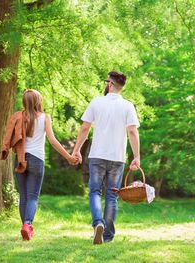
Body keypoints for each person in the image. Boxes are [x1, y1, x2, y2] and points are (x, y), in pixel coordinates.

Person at [72, 71, 140, 245]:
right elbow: (132, 131)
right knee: (111, 196)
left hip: (97, 156)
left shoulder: (97, 102)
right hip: (117, 157)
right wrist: (136, 157)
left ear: (110, 83)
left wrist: (77, 150)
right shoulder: (128, 106)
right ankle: (107, 236)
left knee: (95, 192)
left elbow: (85, 128)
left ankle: (98, 223)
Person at [1, 89, 77, 241]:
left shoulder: (18, 117)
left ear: (24, 102)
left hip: (21, 159)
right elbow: (53, 141)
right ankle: (27, 225)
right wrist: (69, 157)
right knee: (33, 197)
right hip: (36, 160)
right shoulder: (44, 118)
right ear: (38, 101)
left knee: (23, 197)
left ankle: (25, 228)